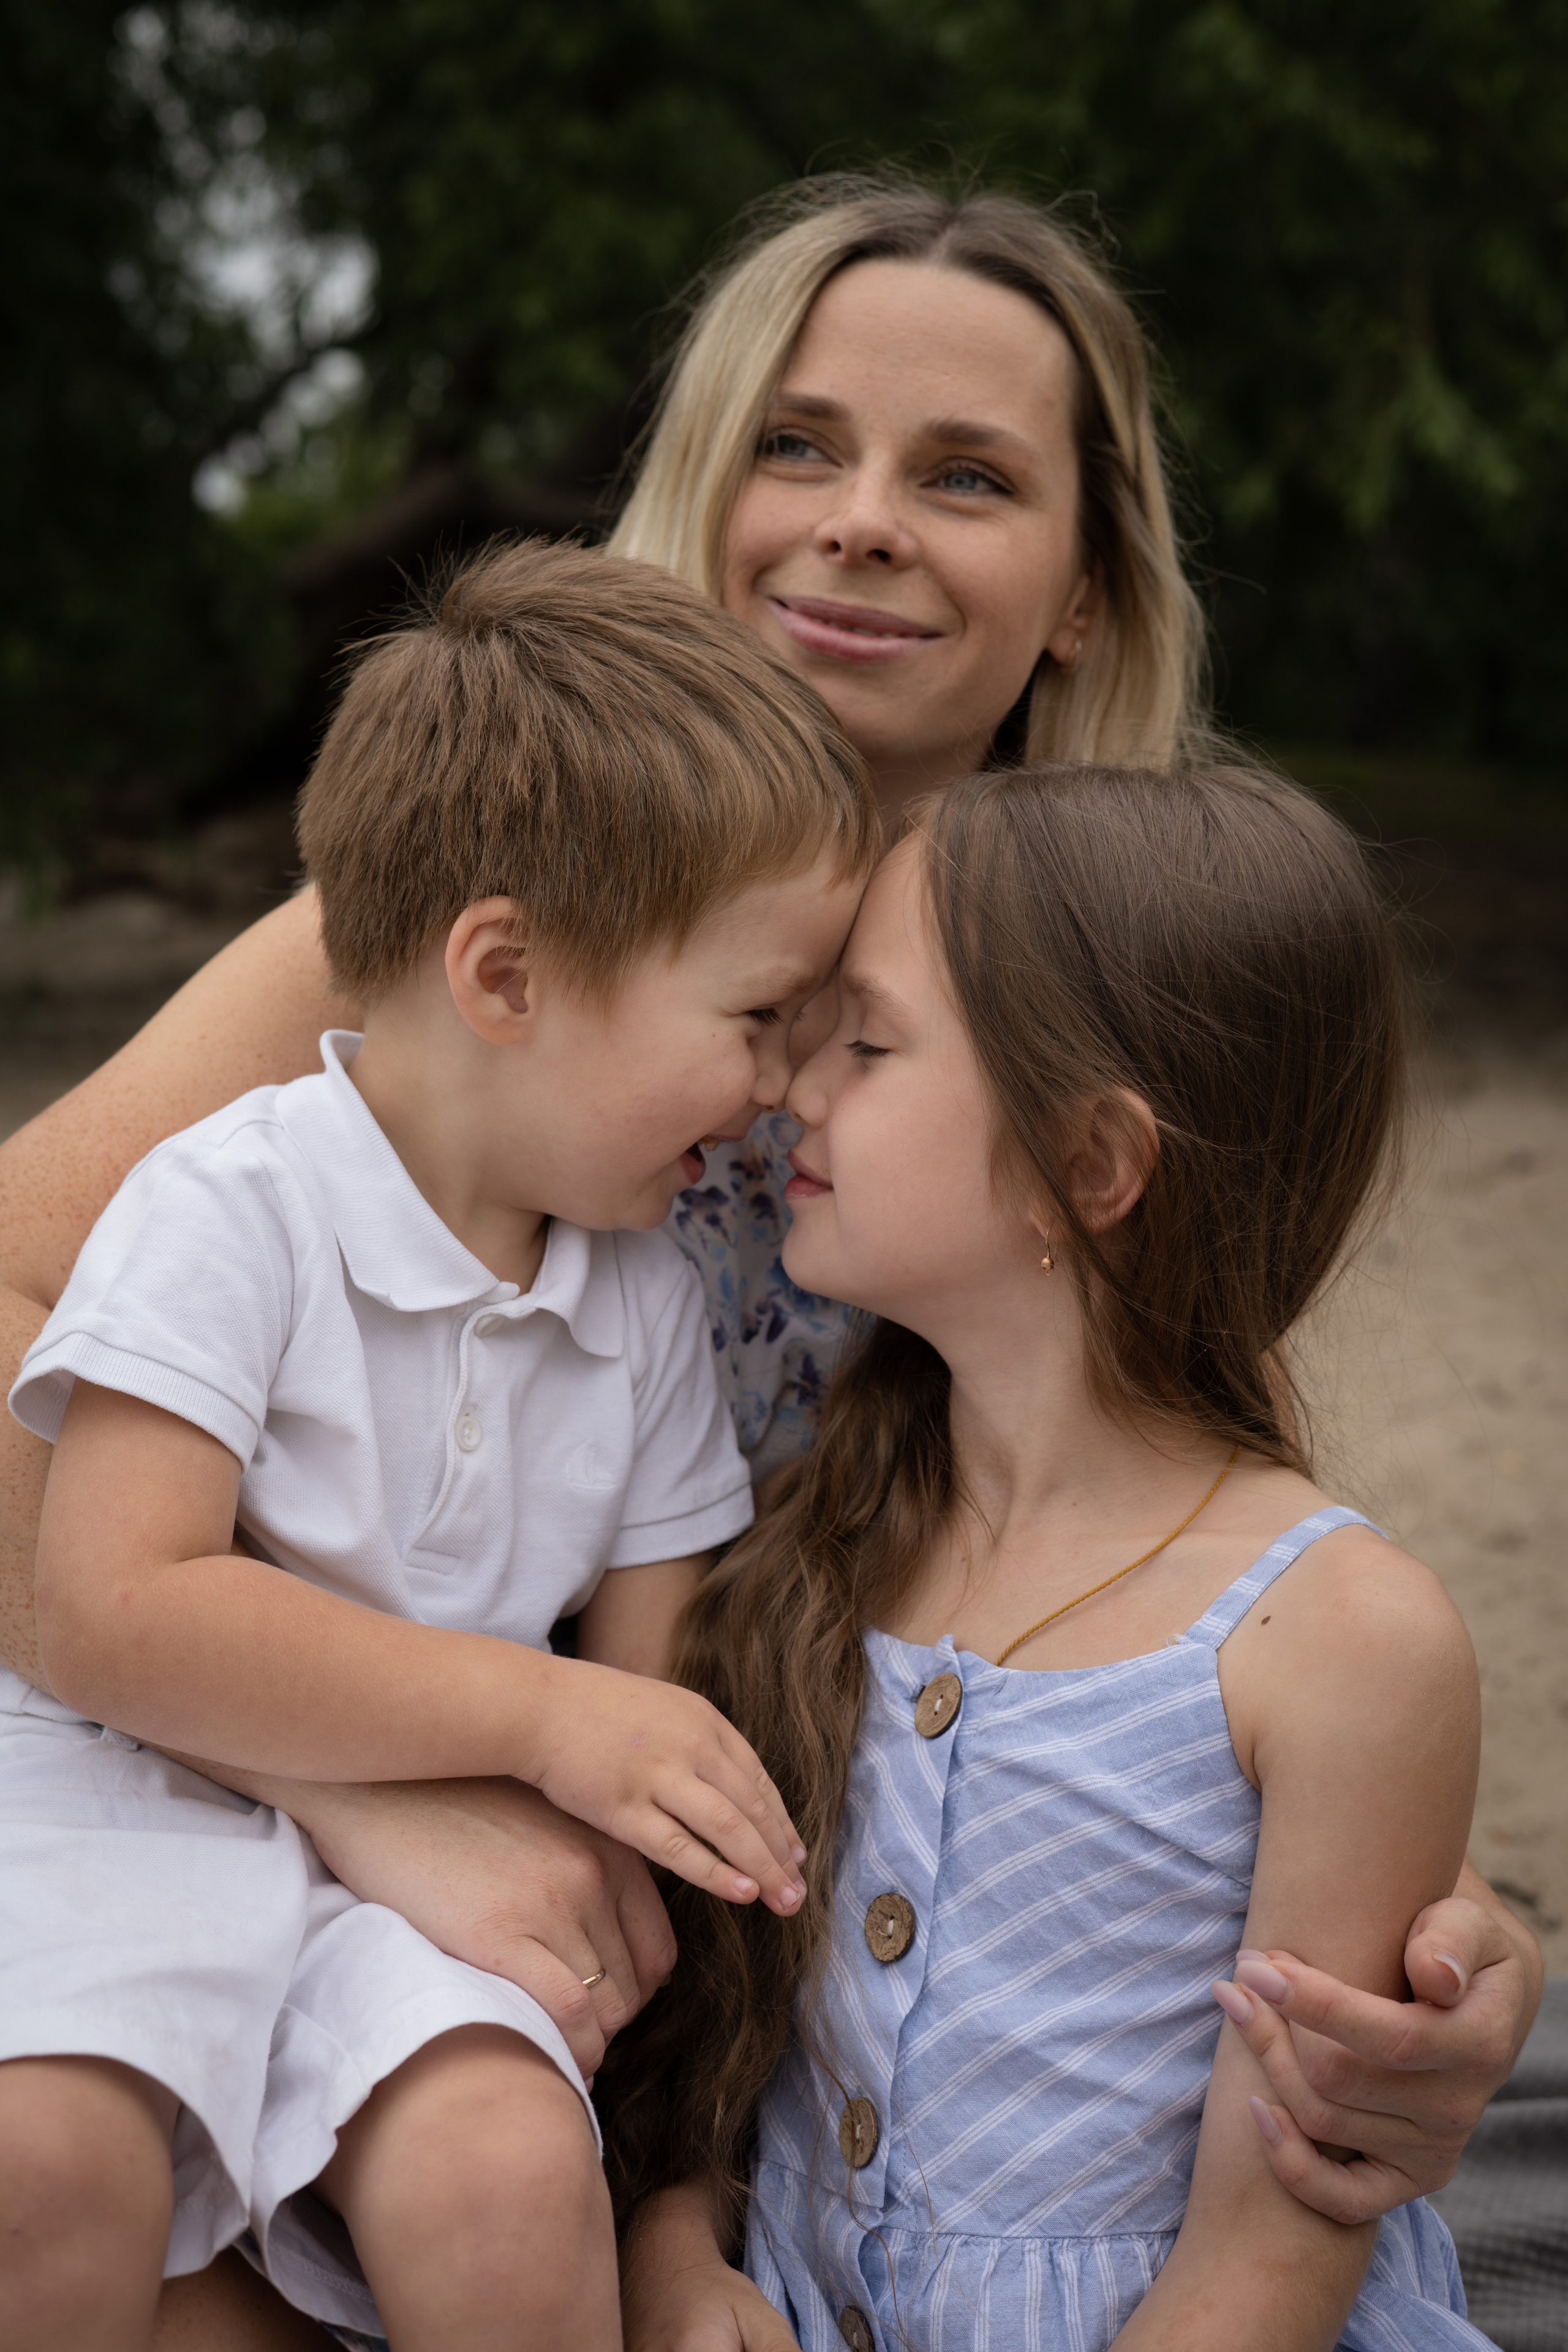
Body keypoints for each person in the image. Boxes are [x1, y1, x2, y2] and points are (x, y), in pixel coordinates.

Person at [0, 176, 1537, 2345]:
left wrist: (1428, 1941)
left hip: (697, 1992)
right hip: (371, 1852)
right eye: (795, 445)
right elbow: (46, 1403)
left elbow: (1143, 1591)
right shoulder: (451, 973)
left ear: (1089, 592)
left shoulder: (1106, 1035)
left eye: (969, 475)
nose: (862, 520)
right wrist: (367, 1798)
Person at [0, 539, 875, 2350]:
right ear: (506, 974)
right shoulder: (231, 1205)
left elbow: (659, 1685)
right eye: (754, 1018)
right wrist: (548, 1721)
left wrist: (669, 1846)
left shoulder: (637, 1288)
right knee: (44, 2159)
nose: (784, 1085)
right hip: (122, 1793)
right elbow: (109, 1610)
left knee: (499, 2170)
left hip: (434, 1857)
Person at [611, 763, 1497, 2352]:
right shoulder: (824, 1542)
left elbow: (1267, 2267)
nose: (794, 1091)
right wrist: (680, 2257)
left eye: (866, 1045)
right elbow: (717, 2048)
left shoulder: (1343, 1641)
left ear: (1094, 1166)